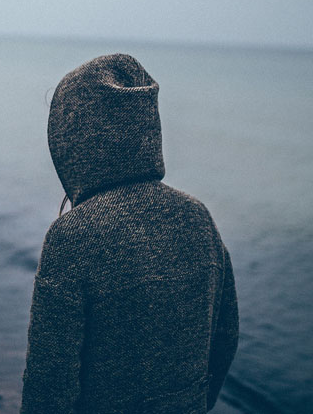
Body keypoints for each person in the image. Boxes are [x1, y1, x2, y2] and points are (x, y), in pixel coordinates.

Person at [20, 54, 238, 413]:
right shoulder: (198, 218)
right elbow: (225, 339)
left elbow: (49, 384)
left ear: (71, 140)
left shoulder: (73, 237)